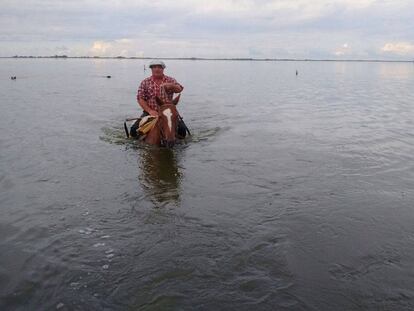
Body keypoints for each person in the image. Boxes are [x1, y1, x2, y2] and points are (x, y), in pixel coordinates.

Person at [131, 60, 186, 138]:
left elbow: (179, 89)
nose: (157, 69)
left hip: (168, 112)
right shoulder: (145, 82)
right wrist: (150, 111)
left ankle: (180, 145)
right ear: (151, 69)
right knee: (133, 129)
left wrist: (171, 85)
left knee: (182, 129)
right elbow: (140, 98)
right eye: (154, 67)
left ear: (163, 69)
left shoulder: (170, 80)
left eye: (159, 67)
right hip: (150, 112)